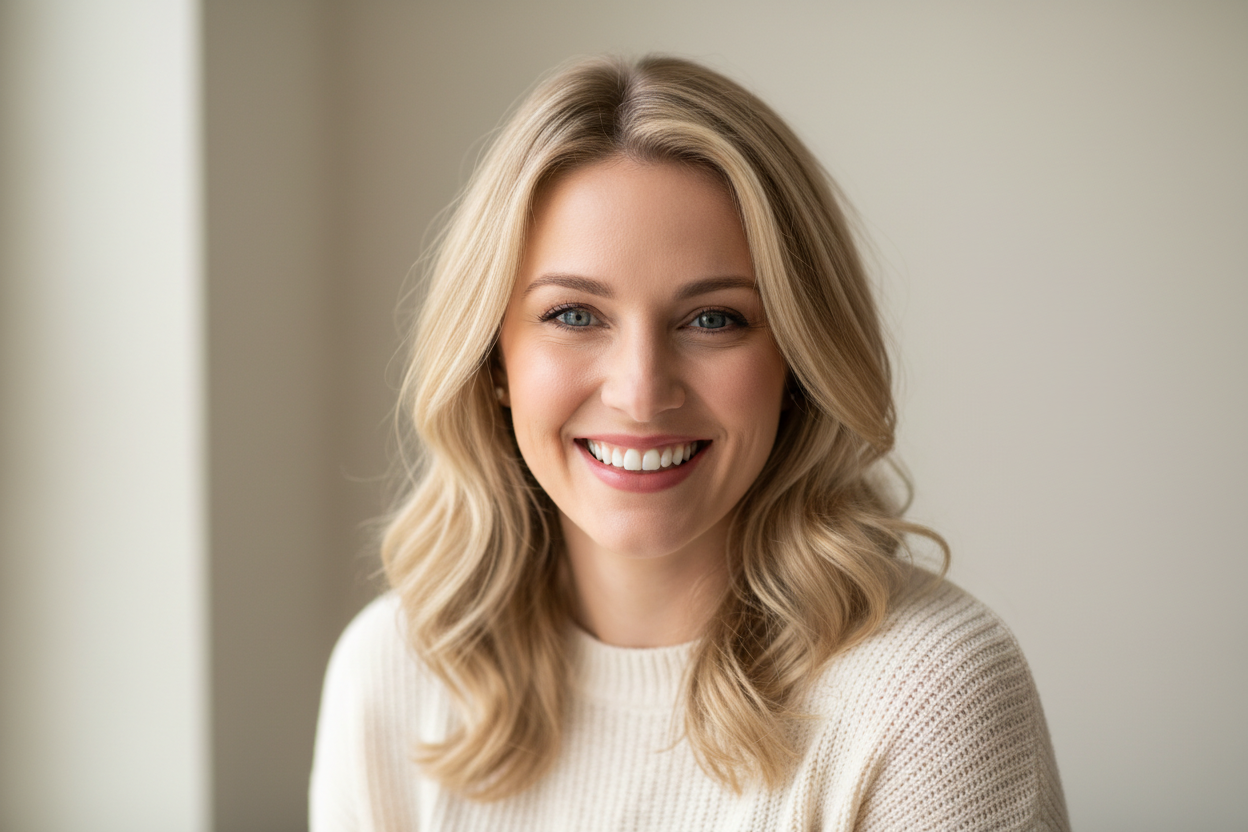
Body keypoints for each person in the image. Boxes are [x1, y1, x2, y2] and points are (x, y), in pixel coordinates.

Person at [309, 55, 1069, 831]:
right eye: (574, 315)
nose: (640, 392)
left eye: (714, 319)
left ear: (797, 363)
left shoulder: (930, 697)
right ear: (494, 360)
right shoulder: (392, 674)